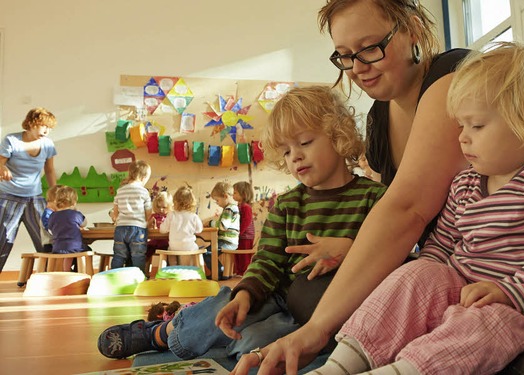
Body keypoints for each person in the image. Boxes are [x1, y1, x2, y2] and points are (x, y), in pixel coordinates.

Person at [232, 1, 524, 374]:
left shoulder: (463, 80)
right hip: (470, 277)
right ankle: (339, 367)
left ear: (410, 29)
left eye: (370, 47)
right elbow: (433, 242)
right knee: (341, 288)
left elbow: (409, 209)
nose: (356, 66)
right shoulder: (400, 137)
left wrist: (511, 291)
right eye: (345, 55)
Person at [308, 42, 524, 375]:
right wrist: (422, 286)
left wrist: (512, 291)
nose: (462, 138)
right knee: (415, 273)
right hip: (456, 290)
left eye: (476, 126)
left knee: (487, 326)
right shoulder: (466, 182)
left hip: (515, 308)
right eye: (461, 126)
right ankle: (339, 365)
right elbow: (441, 245)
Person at [96, 86, 386, 368]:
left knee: (252, 346)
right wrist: (246, 294)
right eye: (285, 151)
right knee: (224, 305)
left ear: (338, 135)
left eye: (305, 143)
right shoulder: (287, 205)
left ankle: (227, 344)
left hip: (331, 318)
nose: (294, 156)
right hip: (278, 298)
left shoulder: (375, 198)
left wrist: (351, 249)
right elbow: (267, 262)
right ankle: (161, 334)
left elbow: (401, 253)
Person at [0, 107, 58, 272]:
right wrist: (2, 169)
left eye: (49, 128)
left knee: (46, 238)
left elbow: (50, 170)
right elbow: (0, 162)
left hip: (34, 197)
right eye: (43, 126)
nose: (46, 131)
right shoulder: (12, 140)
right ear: (32, 124)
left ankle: (52, 276)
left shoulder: (47, 144)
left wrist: (55, 194)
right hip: (8, 196)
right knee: (3, 240)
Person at [111, 160, 152, 272]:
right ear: (143, 178)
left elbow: (115, 212)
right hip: (137, 229)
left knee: (119, 255)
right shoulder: (143, 192)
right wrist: (148, 222)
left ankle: (112, 277)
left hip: (120, 228)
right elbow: (148, 214)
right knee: (138, 255)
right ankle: (139, 278)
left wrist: (116, 219)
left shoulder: (120, 190)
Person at [47, 185, 90, 272]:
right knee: (87, 250)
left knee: (68, 252)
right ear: (74, 202)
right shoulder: (75, 214)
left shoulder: (53, 215)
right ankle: (80, 271)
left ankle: (67, 271)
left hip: (57, 247)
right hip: (74, 247)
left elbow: (50, 230)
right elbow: (84, 223)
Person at [159, 185, 203, 266]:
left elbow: (162, 230)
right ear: (192, 202)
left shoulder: (171, 214)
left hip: (174, 247)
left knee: (170, 250)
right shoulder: (193, 216)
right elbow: (199, 230)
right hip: (189, 247)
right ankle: (193, 268)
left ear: (175, 201)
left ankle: (173, 268)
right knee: (196, 248)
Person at [203, 181, 239, 279]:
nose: (217, 204)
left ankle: (218, 271)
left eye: (217, 200)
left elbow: (223, 225)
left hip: (227, 241)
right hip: (230, 241)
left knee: (206, 252)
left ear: (225, 196)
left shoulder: (229, 209)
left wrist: (210, 223)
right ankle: (219, 271)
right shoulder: (232, 208)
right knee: (208, 250)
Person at [232, 181, 256, 275]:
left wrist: (239, 233)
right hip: (240, 235)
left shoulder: (246, 207)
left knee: (244, 256)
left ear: (243, 194)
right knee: (237, 254)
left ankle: (244, 272)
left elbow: (246, 222)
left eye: (235, 192)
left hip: (246, 236)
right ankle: (239, 272)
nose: (233, 195)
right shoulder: (238, 206)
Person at [146, 191, 172, 266]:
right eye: (159, 207)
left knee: (169, 254)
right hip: (154, 241)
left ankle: (168, 271)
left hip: (166, 242)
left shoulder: (170, 216)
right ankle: (145, 272)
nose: (161, 210)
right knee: (145, 251)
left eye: (164, 207)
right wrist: (151, 224)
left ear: (169, 206)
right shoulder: (154, 216)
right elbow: (148, 227)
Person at [41, 184, 62, 253]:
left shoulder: (55, 213)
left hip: (58, 245)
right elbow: (50, 229)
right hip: (51, 246)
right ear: (55, 201)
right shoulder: (48, 214)